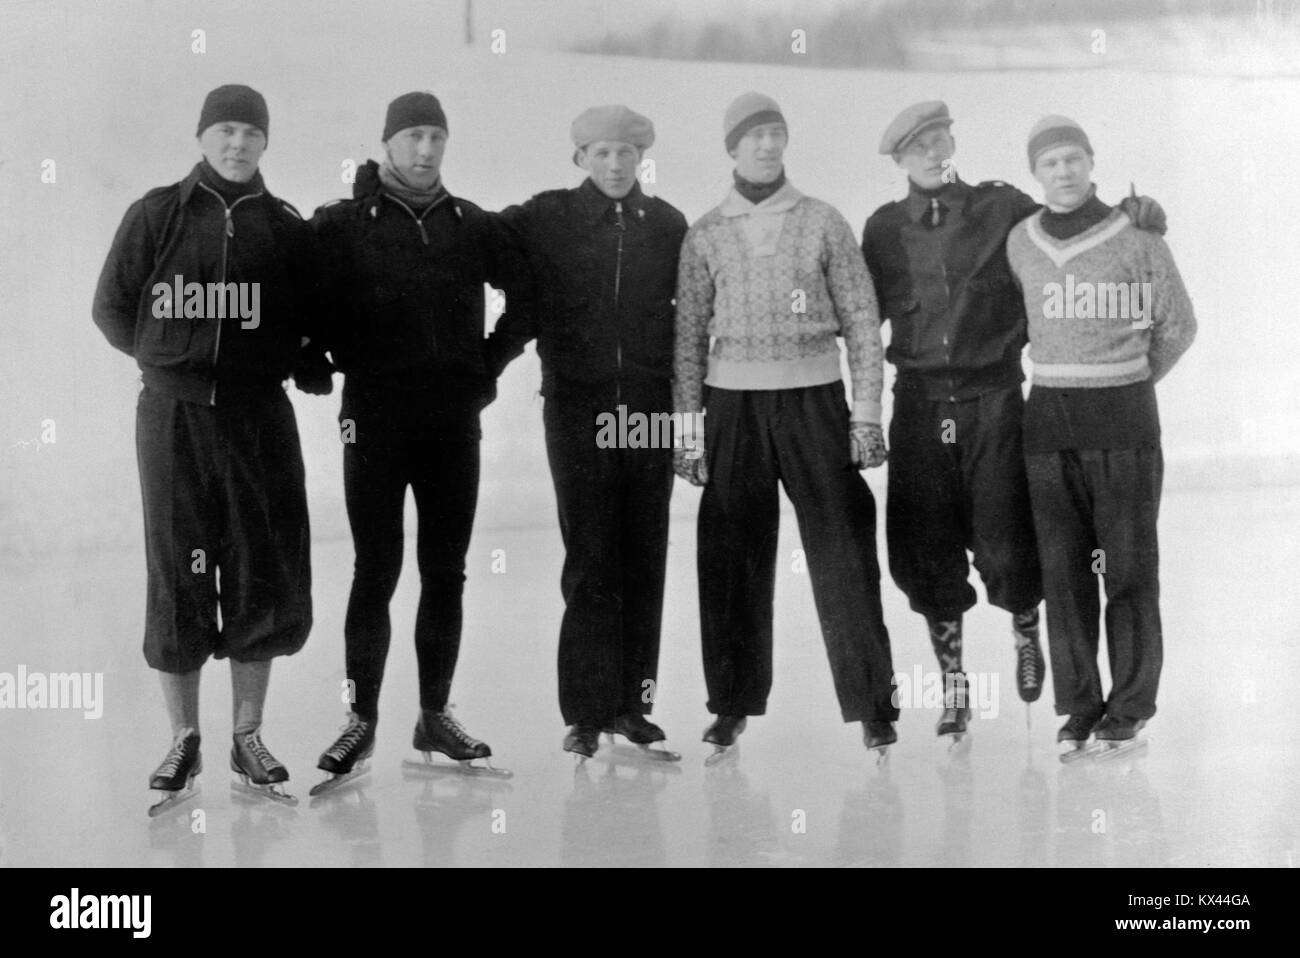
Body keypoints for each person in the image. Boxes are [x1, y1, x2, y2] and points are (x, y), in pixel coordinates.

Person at [862, 101, 1166, 739]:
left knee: (1007, 539)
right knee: (926, 547)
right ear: (900, 160)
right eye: (920, 147)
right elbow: (859, 315)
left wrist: (1130, 214)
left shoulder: (1001, 209)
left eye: (942, 138)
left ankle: (1025, 628)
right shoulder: (884, 230)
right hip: (919, 405)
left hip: (995, 398)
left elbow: (1070, 216)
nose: (935, 152)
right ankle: (954, 685)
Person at [92, 84, 330, 813]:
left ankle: (248, 736)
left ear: (265, 144)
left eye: (251, 134)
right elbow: (112, 305)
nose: (238, 144)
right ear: (202, 137)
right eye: (225, 130)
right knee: (179, 561)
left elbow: (310, 318)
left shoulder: (286, 227)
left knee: (259, 564)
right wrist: (173, 362)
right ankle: (183, 736)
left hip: (258, 419)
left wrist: (300, 359)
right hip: (173, 419)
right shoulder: (156, 214)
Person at [308, 92, 530, 787]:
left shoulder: (469, 225)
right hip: (374, 416)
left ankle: (434, 715)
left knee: (446, 569)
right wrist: (309, 354)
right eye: (413, 137)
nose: (426, 149)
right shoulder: (344, 224)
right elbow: (300, 295)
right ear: (386, 143)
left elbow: (530, 295)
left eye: (436, 136)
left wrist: (487, 365)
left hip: (450, 422)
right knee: (375, 569)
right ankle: (359, 720)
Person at [673, 92, 898, 760]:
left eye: (775, 134)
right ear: (732, 149)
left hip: (815, 404)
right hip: (732, 408)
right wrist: (688, 433)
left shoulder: (823, 221)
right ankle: (732, 704)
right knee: (731, 557)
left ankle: (873, 707)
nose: (767, 146)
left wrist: (864, 415)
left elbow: (862, 321)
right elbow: (687, 337)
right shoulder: (706, 231)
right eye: (753, 137)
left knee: (843, 553)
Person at [488, 106, 689, 760]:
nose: (614, 164)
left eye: (626, 153)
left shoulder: (666, 224)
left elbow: (687, 322)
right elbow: (474, 241)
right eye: (601, 152)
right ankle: (585, 711)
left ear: (640, 158)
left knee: (645, 553)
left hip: (650, 408)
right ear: (580, 157)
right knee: (593, 554)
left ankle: (633, 706)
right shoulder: (548, 216)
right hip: (579, 407)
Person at [1005, 115, 1195, 750]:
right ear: (1036, 173)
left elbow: (1178, 325)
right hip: (1048, 424)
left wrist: (1131, 379)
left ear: (1091, 162)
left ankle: (1132, 706)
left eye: (1072, 160)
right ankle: (1079, 704)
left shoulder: (1137, 237)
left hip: (1123, 423)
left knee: (1128, 568)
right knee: (1063, 571)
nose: (1062, 173)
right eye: (1049, 163)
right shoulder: (1021, 241)